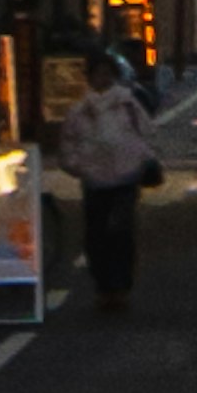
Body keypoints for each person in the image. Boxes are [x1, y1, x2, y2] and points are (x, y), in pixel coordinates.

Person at [52, 39, 163, 314]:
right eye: (97, 73)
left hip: (126, 177)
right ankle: (104, 287)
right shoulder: (79, 112)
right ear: (89, 78)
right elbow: (67, 144)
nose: (102, 78)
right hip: (94, 181)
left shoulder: (127, 104)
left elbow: (146, 133)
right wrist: (79, 166)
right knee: (96, 236)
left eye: (106, 74)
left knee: (121, 231)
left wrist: (140, 159)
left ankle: (120, 287)